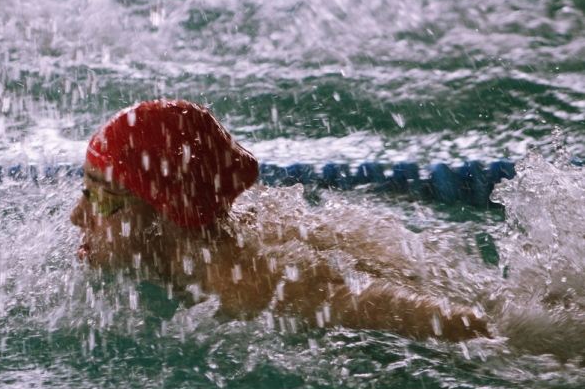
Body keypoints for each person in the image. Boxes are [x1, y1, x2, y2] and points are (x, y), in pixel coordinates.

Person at [70, 99, 490, 342]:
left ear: (167, 209)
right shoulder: (236, 233)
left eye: (100, 198)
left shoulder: (242, 285)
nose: (77, 216)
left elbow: (459, 322)